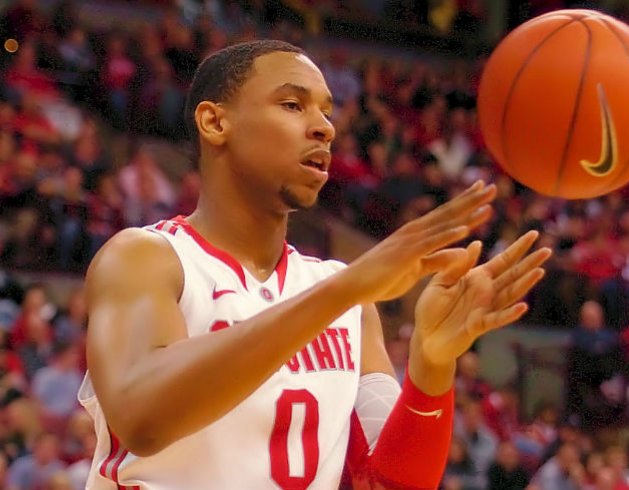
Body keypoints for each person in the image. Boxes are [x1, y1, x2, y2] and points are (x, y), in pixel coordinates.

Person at [80, 40, 550, 489]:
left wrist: (431, 365)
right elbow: (141, 417)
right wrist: (342, 292)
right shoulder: (147, 258)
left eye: (327, 110)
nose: (325, 126)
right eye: (292, 105)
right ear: (214, 122)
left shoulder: (346, 299)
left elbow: (384, 484)